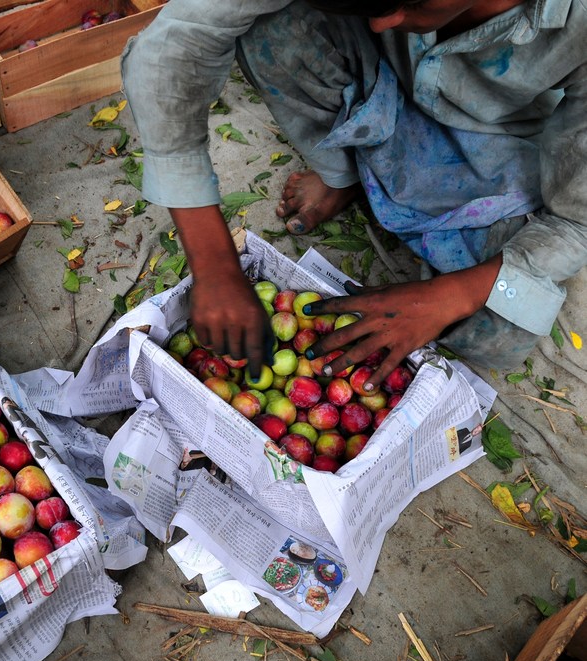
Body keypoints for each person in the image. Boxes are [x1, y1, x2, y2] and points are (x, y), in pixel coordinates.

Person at [121, 0, 587, 388]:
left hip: (500, 145)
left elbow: (577, 221)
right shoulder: (381, 17)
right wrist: (215, 265)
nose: (383, 21)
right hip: (379, 72)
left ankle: (371, 162)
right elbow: (169, 52)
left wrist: (448, 296)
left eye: (412, 0)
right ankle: (345, 169)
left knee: (497, 330)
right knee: (271, 29)